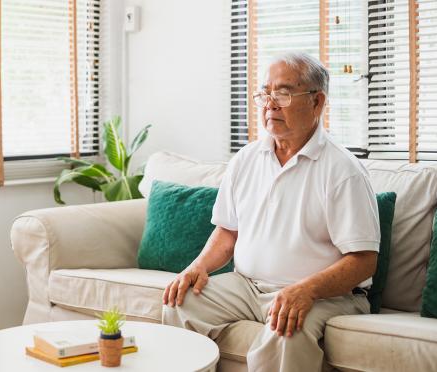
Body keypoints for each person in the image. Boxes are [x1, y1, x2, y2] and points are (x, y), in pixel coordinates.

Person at [161, 52, 380, 372]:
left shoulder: (343, 170)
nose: (270, 103)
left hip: (326, 296)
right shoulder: (245, 159)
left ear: (317, 102)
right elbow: (227, 232)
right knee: (181, 301)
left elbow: (364, 261)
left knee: (285, 329)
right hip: (249, 286)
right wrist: (197, 266)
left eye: (284, 93)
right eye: (265, 93)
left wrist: (306, 289)